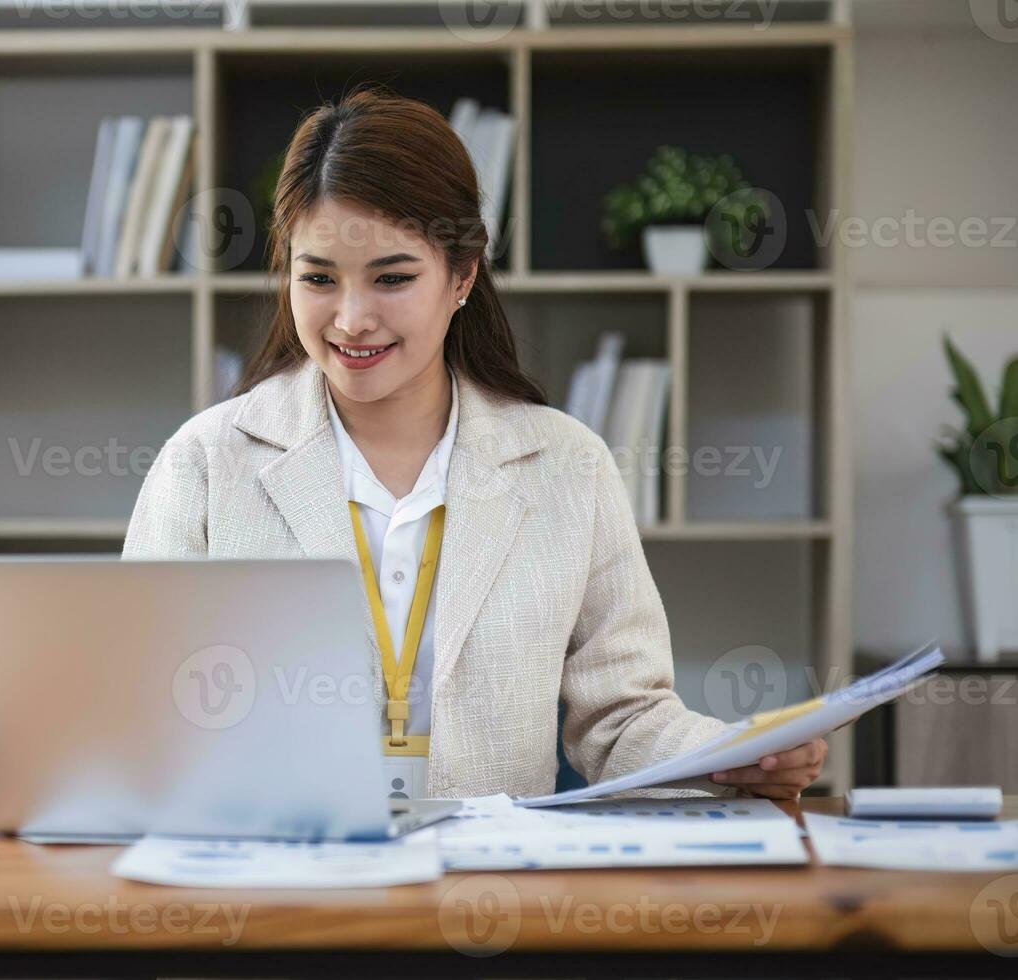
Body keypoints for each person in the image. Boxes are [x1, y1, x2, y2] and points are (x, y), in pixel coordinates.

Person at [122, 85, 826, 801]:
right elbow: (136, 714)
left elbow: (622, 721)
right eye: (318, 279)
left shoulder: (567, 466)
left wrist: (733, 754)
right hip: (281, 888)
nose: (352, 319)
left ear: (461, 276)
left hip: (492, 894)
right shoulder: (206, 464)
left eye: (393, 278)